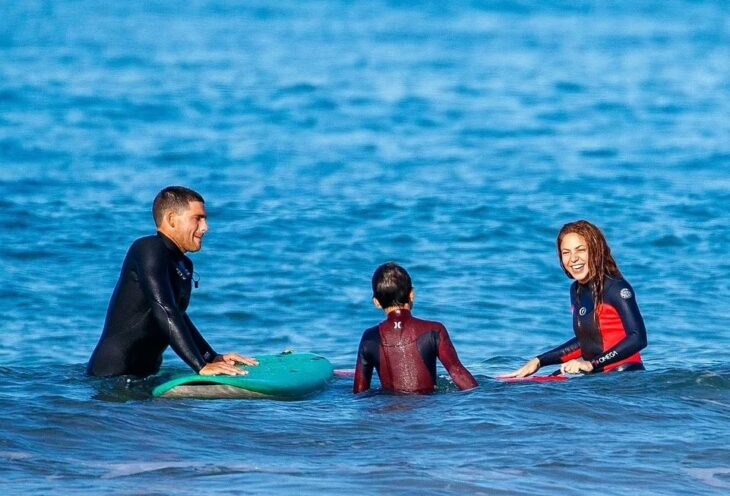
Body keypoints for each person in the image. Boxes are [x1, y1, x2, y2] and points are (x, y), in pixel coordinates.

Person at [87, 186, 257, 378]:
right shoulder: (148, 249)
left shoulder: (183, 264)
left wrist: (210, 357)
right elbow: (164, 308)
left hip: (144, 378)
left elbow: (177, 315)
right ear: (171, 219)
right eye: (198, 218)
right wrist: (200, 365)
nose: (205, 227)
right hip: (111, 378)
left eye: (205, 219)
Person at [501, 220, 647, 379]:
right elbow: (586, 341)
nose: (573, 259)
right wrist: (539, 361)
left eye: (581, 250)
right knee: (542, 385)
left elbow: (638, 338)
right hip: (598, 378)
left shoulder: (616, 287)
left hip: (626, 376)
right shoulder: (576, 290)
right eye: (566, 252)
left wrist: (591, 364)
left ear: (595, 250)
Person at [354, 262, 478, 394]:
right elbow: (457, 372)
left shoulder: (369, 338)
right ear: (412, 294)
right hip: (427, 410)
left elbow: (359, 392)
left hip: (388, 411)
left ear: (376, 303)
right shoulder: (435, 331)